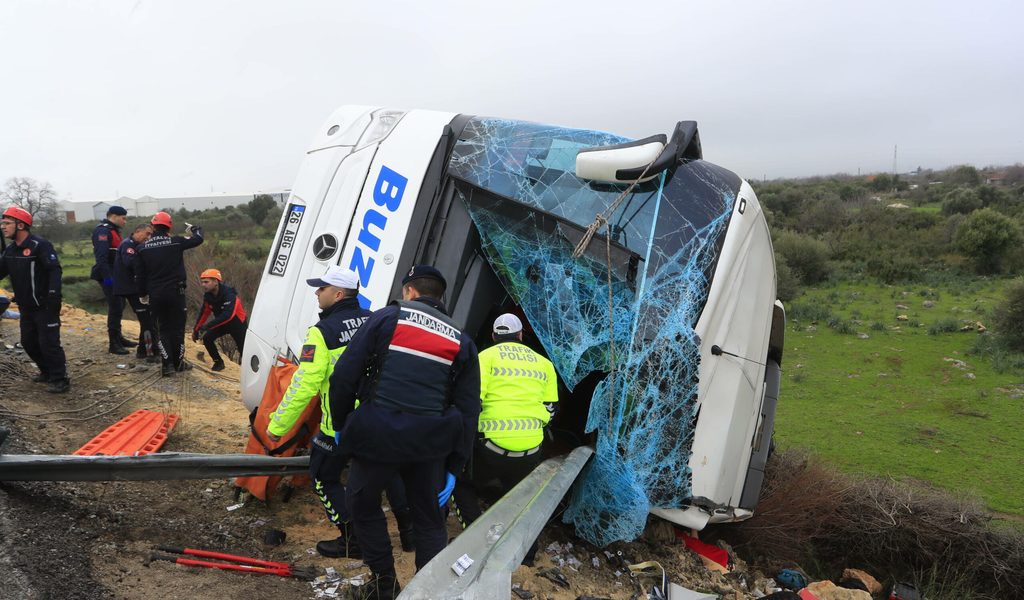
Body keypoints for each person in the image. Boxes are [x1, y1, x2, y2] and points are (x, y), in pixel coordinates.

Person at [329, 265, 480, 600]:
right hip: (430, 446)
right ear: (440, 297)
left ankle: (383, 584)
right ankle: (425, 594)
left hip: (377, 438)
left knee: (361, 503)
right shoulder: (462, 340)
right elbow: (469, 410)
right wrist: (455, 466)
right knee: (430, 521)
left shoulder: (386, 318)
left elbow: (343, 376)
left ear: (410, 291)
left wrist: (340, 424)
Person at [263, 266, 379, 559]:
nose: (317, 293)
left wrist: (278, 426)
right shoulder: (373, 320)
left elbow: (304, 385)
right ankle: (403, 535)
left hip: (340, 423)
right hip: (379, 417)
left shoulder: (322, 332)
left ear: (338, 294)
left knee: (323, 476)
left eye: (322, 288)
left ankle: (352, 539)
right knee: (372, 481)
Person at [451, 312, 558, 565]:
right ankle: (527, 557)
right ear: (520, 335)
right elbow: (551, 410)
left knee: (460, 484)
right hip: (530, 449)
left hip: (491, 447)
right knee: (523, 500)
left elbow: (471, 405)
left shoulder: (484, 358)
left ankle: (476, 540)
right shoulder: (545, 364)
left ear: (493, 336)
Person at [0, 206, 70, 393]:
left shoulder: (40, 245)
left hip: (45, 304)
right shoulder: (10, 250)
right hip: (26, 306)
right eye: (2, 223)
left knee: (49, 343)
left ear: (20, 225)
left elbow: (54, 270)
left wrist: (54, 295)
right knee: (28, 342)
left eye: (7, 223)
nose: (3, 226)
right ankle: (46, 371)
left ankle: (60, 378)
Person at [135, 211, 203, 376]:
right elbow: (198, 239)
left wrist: (142, 294)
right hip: (176, 293)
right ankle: (178, 363)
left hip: (155, 295)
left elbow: (140, 275)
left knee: (162, 329)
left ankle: (167, 366)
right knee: (177, 329)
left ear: (152, 227)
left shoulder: (142, 248)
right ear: (169, 227)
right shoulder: (176, 242)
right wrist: (195, 229)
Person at [91, 205, 136, 355]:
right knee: (115, 306)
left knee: (120, 304)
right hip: (108, 275)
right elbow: (101, 258)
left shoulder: (113, 230)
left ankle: (119, 337)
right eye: (123, 218)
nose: (125, 221)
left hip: (116, 275)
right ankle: (113, 344)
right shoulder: (103, 231)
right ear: (114, 216)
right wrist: (108, 280)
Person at [113, 223, 158, 362]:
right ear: (138, 231)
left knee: (147, 319)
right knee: (147, 321)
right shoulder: (128, 245)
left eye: (151, 235)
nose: (148, 237)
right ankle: (150, 352)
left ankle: (142, 350)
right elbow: (131, 263)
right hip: (131, 288)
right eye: (147, 234)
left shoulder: (136, 245)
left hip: (135, 287)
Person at [191, 268, 247, 371]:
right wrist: (196, 330)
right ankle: (218, 362)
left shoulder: (229, 294)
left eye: (206, 282)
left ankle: (248, 371)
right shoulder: (208, 296)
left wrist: (207, 326)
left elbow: (228, 315)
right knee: (207, 338)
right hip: (222, 322)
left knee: (243, 349)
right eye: (202, 282)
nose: (203, 285)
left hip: (237, 322)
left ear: (216, 282)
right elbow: (204, 313)